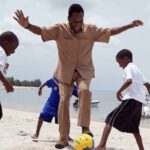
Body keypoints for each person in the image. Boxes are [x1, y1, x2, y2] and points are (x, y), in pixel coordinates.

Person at [13, 4, 143, 148]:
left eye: (81, 21)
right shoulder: (59, 29)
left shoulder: (90, 30)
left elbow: (110, 32)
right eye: (75, 21)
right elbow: (41, 31)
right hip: (64, 72)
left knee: (84, 91)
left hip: (84, 71)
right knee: (63, 102)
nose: (78, 24)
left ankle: (85, 128)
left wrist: (130, 25)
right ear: (68, 19)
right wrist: (27, 26)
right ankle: (63, 138)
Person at [94, 49, 150, 150]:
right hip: (139, 102)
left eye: (119, 62)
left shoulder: (128, 68)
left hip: (131, 99)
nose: (119, 65)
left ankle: (102, 146)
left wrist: (118, 92)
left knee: (109, 119)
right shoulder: (137, 69)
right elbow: (147, 85)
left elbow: (129, 81)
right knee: (135, 129)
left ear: (126, 59)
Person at [32, 76, 78, 141]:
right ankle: (37, 133)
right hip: (50, 103)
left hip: (61, 107)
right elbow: (46, 83)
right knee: (41, 115)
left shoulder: (71, 85)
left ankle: (66, 136)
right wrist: (40, 88)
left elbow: (79, 94)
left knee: (63, 122)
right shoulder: (55, 80)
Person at [0, 31, 19, 119]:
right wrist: (6, 84)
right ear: (6, 43)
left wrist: (4, 67)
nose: (14, 51)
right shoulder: (2, 52)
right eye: (13, 47)